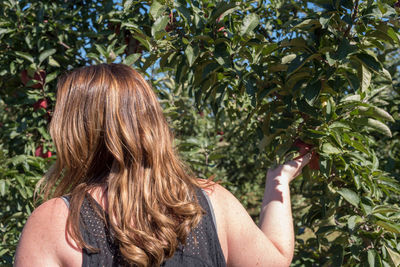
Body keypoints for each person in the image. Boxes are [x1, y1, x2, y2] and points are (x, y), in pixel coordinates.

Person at [14, 64, 311, 267]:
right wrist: (279, 180)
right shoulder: (212, 204)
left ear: (76, 131)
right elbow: (275, 259)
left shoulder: (56, 222)